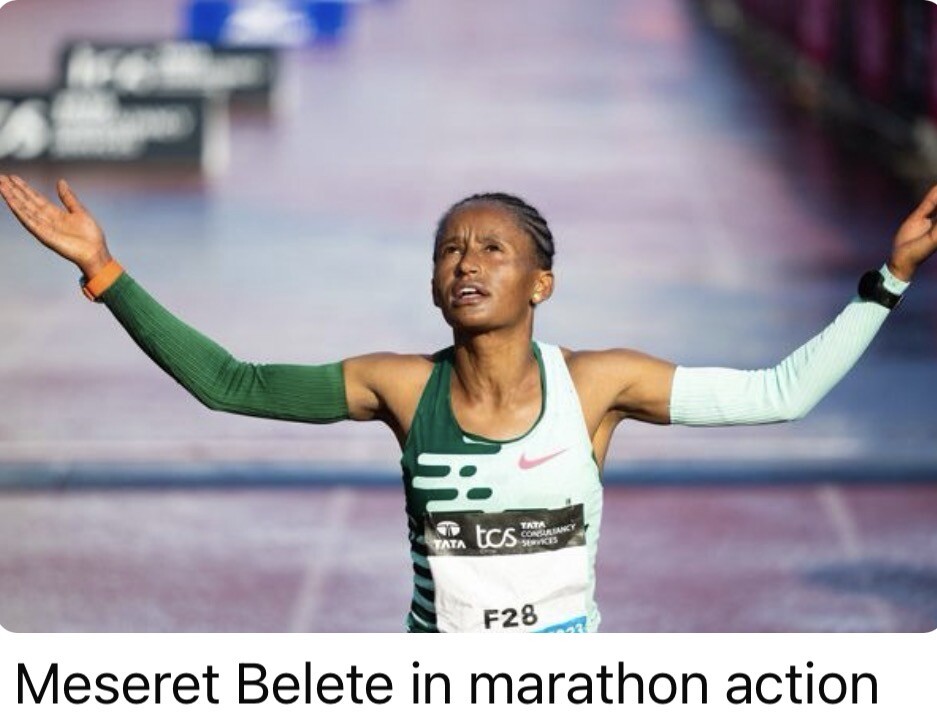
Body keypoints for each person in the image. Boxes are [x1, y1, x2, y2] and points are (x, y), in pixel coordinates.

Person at [0, 174, 935, 633]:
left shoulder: (597, 385)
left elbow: (781, 394)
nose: (467, 262)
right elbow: (229, 384)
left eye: (493, 248)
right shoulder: (401, 386)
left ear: (541, 284)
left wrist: (888, 277)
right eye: (450, 248)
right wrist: (104, 271)